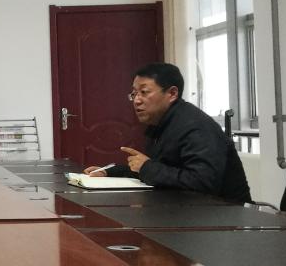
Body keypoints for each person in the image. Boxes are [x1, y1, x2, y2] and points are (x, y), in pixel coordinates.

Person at [84, 62, 251, 203]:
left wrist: (147, 167)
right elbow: (158, 170)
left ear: (172, 93)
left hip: (225, 218)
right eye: (134, 94)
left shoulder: (196, 127)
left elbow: (203, 183)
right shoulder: (161, 123)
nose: (137, 100)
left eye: (144, 92)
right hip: (186, 211)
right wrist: (109, 172)